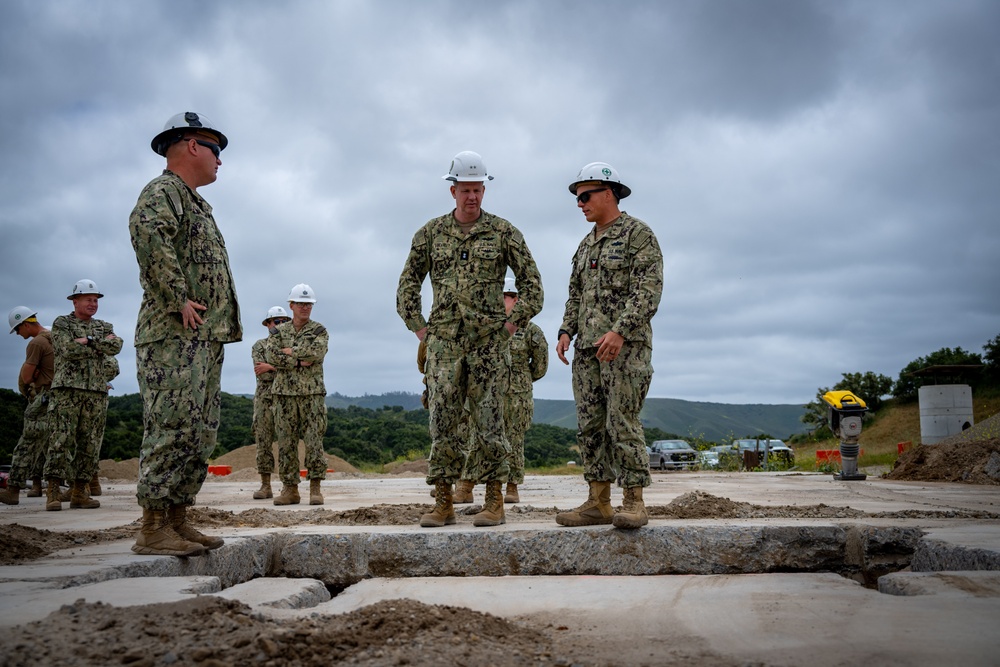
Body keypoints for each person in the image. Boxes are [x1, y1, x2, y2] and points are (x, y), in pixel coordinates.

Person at [397, 150, 543, 528]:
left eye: (478, 189)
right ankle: (443, 502)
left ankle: (495, 501)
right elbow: (407, 285)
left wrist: (511, 326)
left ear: (484, 190)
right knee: (442, 420)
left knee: (491, 421)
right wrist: (420, 328)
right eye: (465, 190)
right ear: (453, 190)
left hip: (489, 344)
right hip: (444, 343)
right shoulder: (430, 234)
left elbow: (533, 285)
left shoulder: (503, 232)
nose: (472, 197)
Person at [128, 111, 242, 557]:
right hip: (174, 335)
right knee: (173, 426)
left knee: (199, 431)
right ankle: (153, 527)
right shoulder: (164, 192)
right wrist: (177, 295)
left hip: (202, 337)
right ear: (192, 146)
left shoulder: (195, 203)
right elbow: (147, 233)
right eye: (216, 149)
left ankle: (177, 519)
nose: (220, 160)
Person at [555, 162, 663, 530]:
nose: (580, 204)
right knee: (591, 426)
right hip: (586, 352)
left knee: (622, 422)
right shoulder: (585, 246)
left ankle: (633, 500)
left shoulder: (638, 235)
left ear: (608, 193)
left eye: (585, 196)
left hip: (624, 350)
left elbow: (648, 291)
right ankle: (597, 502)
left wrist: (620, 331)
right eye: (577, 198)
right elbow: (575, 294)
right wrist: (566, 331)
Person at [44, 280, 122, 511]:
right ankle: (53, 492)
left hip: (96, 392)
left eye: (96, 300)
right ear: (75, 301)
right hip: (67, 391)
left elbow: (116, 346)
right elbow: (66, 349)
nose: (93, 303)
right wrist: (99, 347)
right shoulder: (62, 323)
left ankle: (80, 492)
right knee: (61, 440)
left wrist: (88, 341)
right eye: (88, 299)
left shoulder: (103, 326)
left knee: (91, 444)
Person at [266, 284, 329, 506]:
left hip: (311, 394)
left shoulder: (319, 330)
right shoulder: (278, 332)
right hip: (283, 395)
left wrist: (290, 352)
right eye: (301, 304)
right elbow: (271, 356)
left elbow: (317, 353)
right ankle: (290, 489)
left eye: (308, 304)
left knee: (314, 441)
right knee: (286, 443)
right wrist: (300, 361)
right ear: (291, 305)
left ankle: (315, 488)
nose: (305, 308)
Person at [499, 277, 548, 504]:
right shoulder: (489, 326)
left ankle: (512, 486)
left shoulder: (530, 330)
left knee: (514, 441)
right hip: (488, 393)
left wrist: (520, 379)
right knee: (477, 438)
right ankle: (468, 485)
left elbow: (539, 366)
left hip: (518, 396)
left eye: (503, 297)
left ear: (515, 299)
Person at [0, 307, 54, 505]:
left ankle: (13, 489)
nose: (18, 334)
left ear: (25, 324)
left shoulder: (36, 343)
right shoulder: (57, 337)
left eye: (17, 330)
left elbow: (26, 377)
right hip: (62, 399)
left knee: (26, 444)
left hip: (43, 398)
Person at [250, 306, 290, 500]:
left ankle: (288, 486)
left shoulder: (294, 345)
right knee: (263, 441)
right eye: (275, 321)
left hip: (286, 397)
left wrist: (274, 365)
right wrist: (285, 364)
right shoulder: (259, 346)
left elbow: (299, 370)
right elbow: (262, 373)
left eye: (283, 321)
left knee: (287, 443)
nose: (279, 325)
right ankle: (266, 485)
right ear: (268, 324)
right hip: (265, 399)